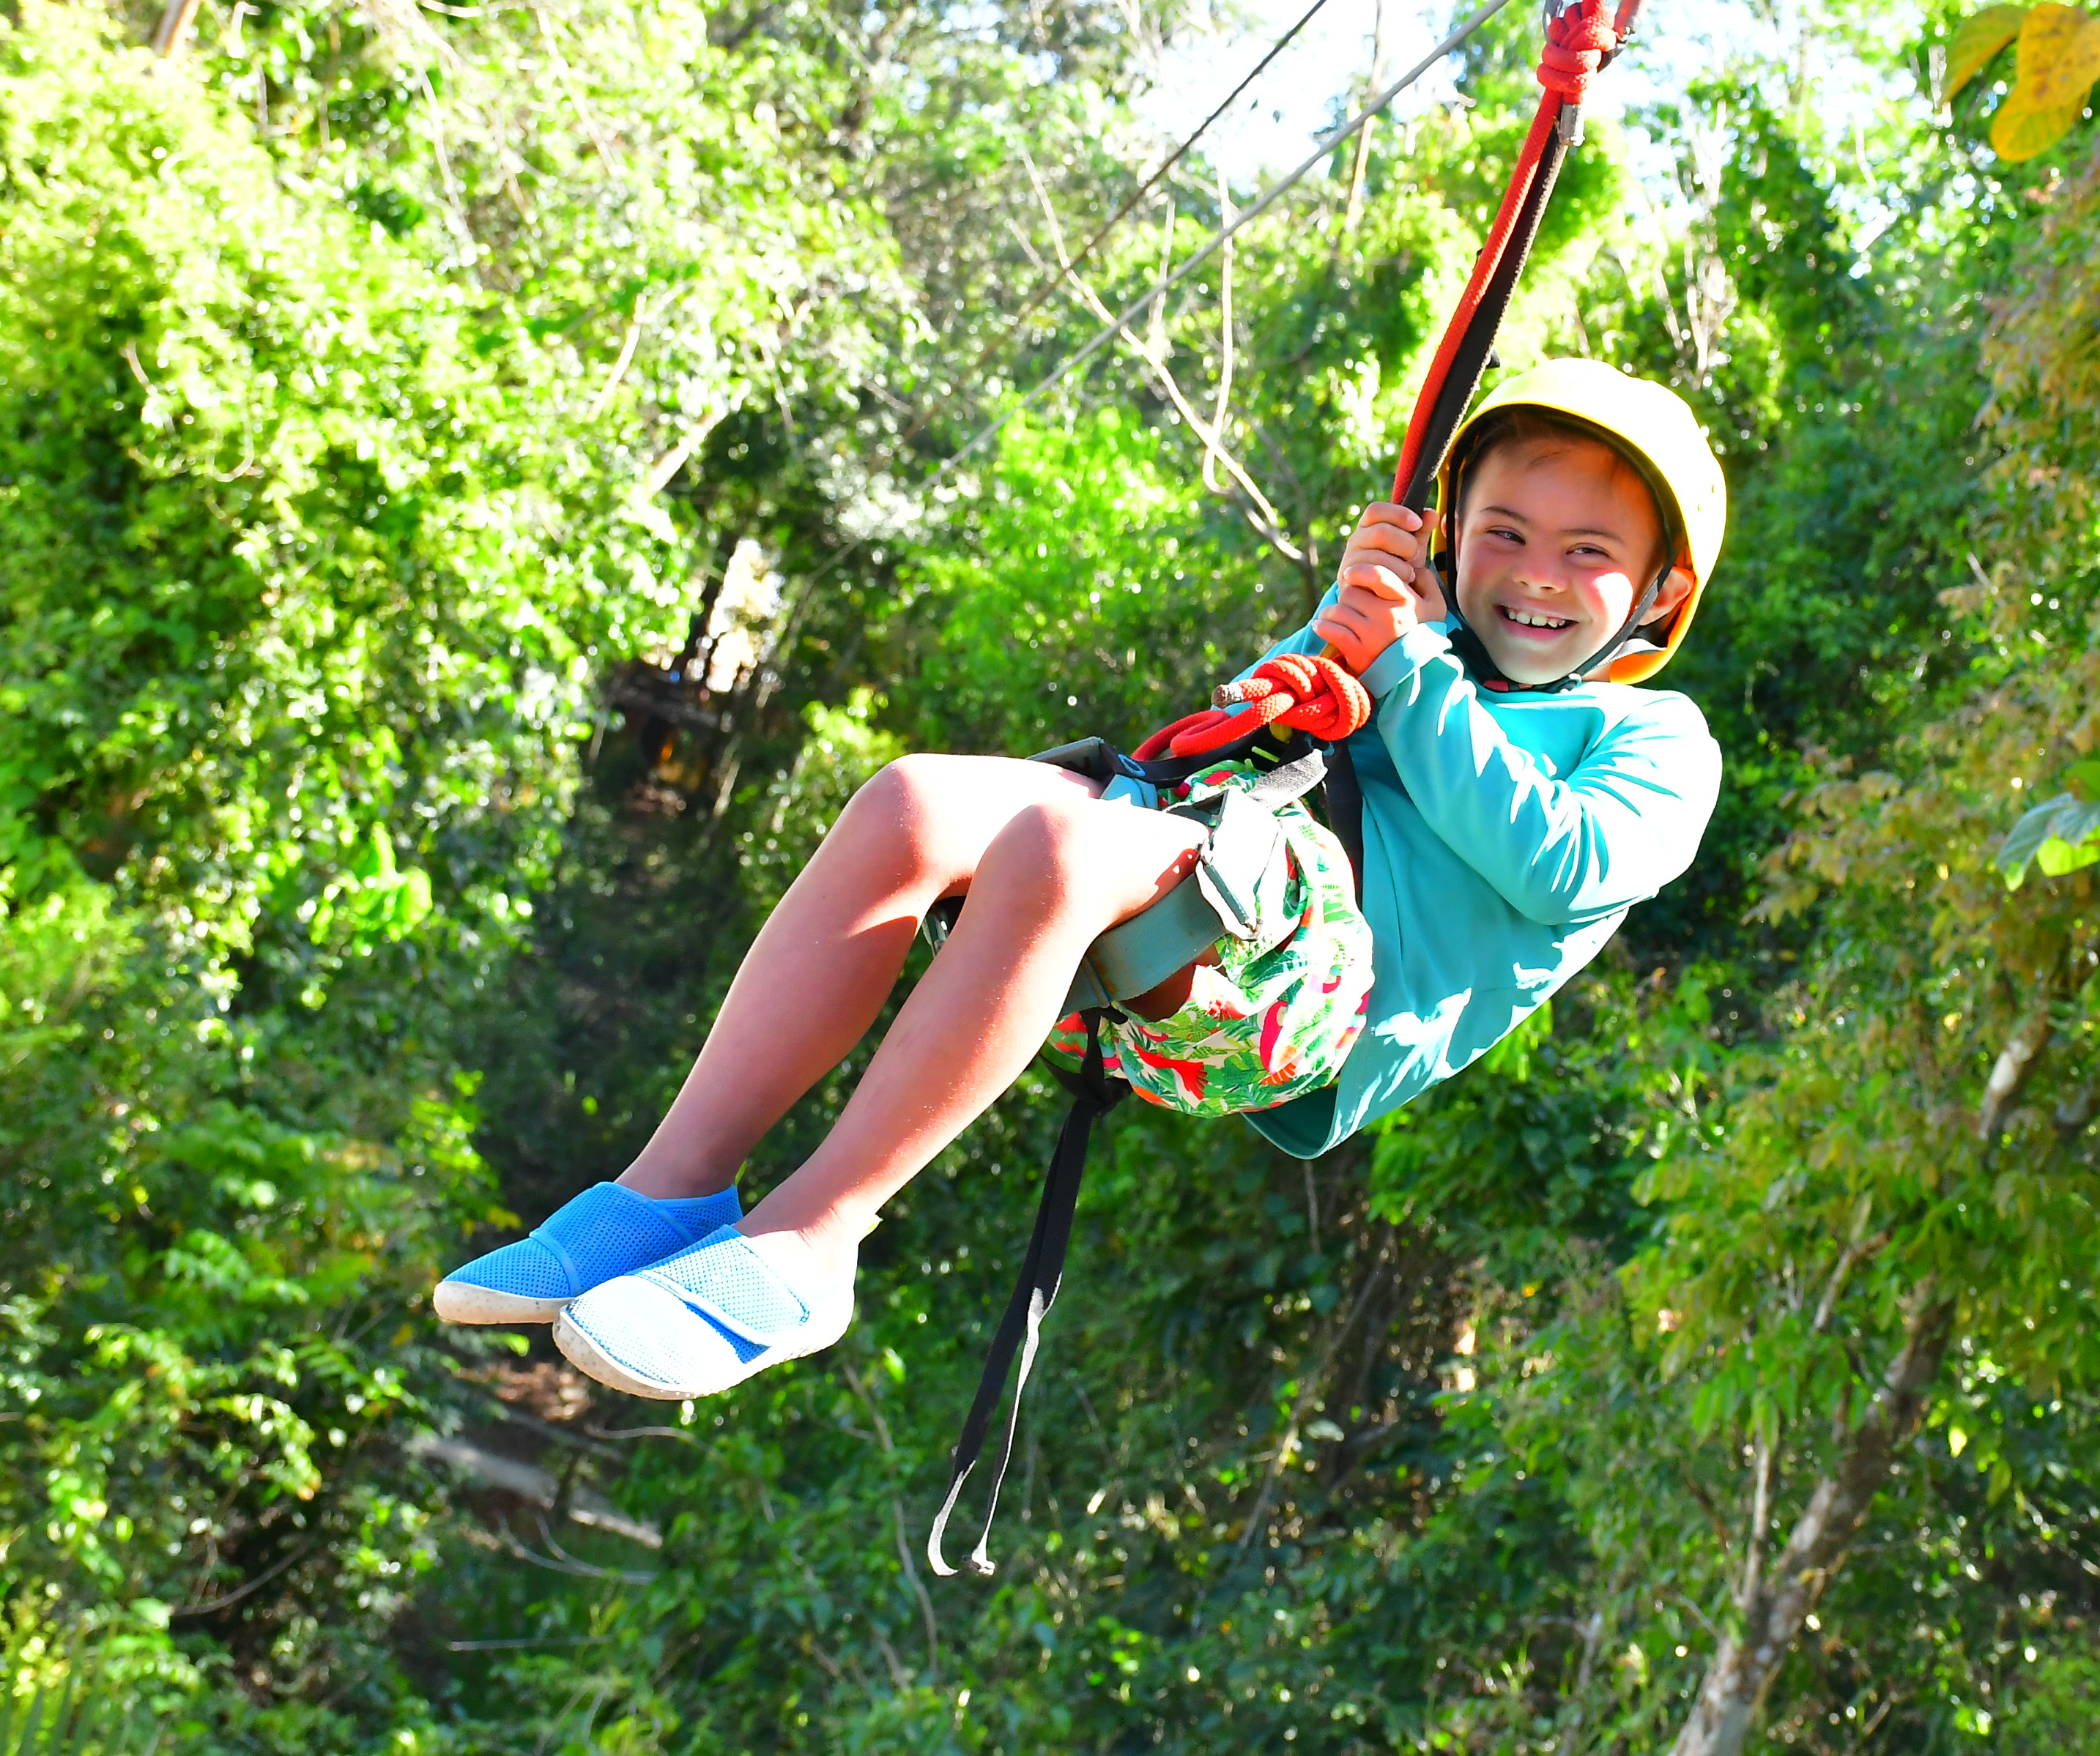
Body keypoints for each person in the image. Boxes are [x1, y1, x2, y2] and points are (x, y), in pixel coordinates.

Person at [432, 359, 1728, 1401]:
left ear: (1660, 591)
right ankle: (669, 1190)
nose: (1537, 574)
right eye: (1503, 532)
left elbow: (1561, 866)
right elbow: (1250, 731)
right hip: (1218, 897)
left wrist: (1407, 669)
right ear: (1453, 537)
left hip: (1322, 1005)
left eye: (1587, 553)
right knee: (913, 801)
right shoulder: (1414, 636)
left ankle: (811, 1242)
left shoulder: (1652, 741)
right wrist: (1353, 624)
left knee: (1061, 847)